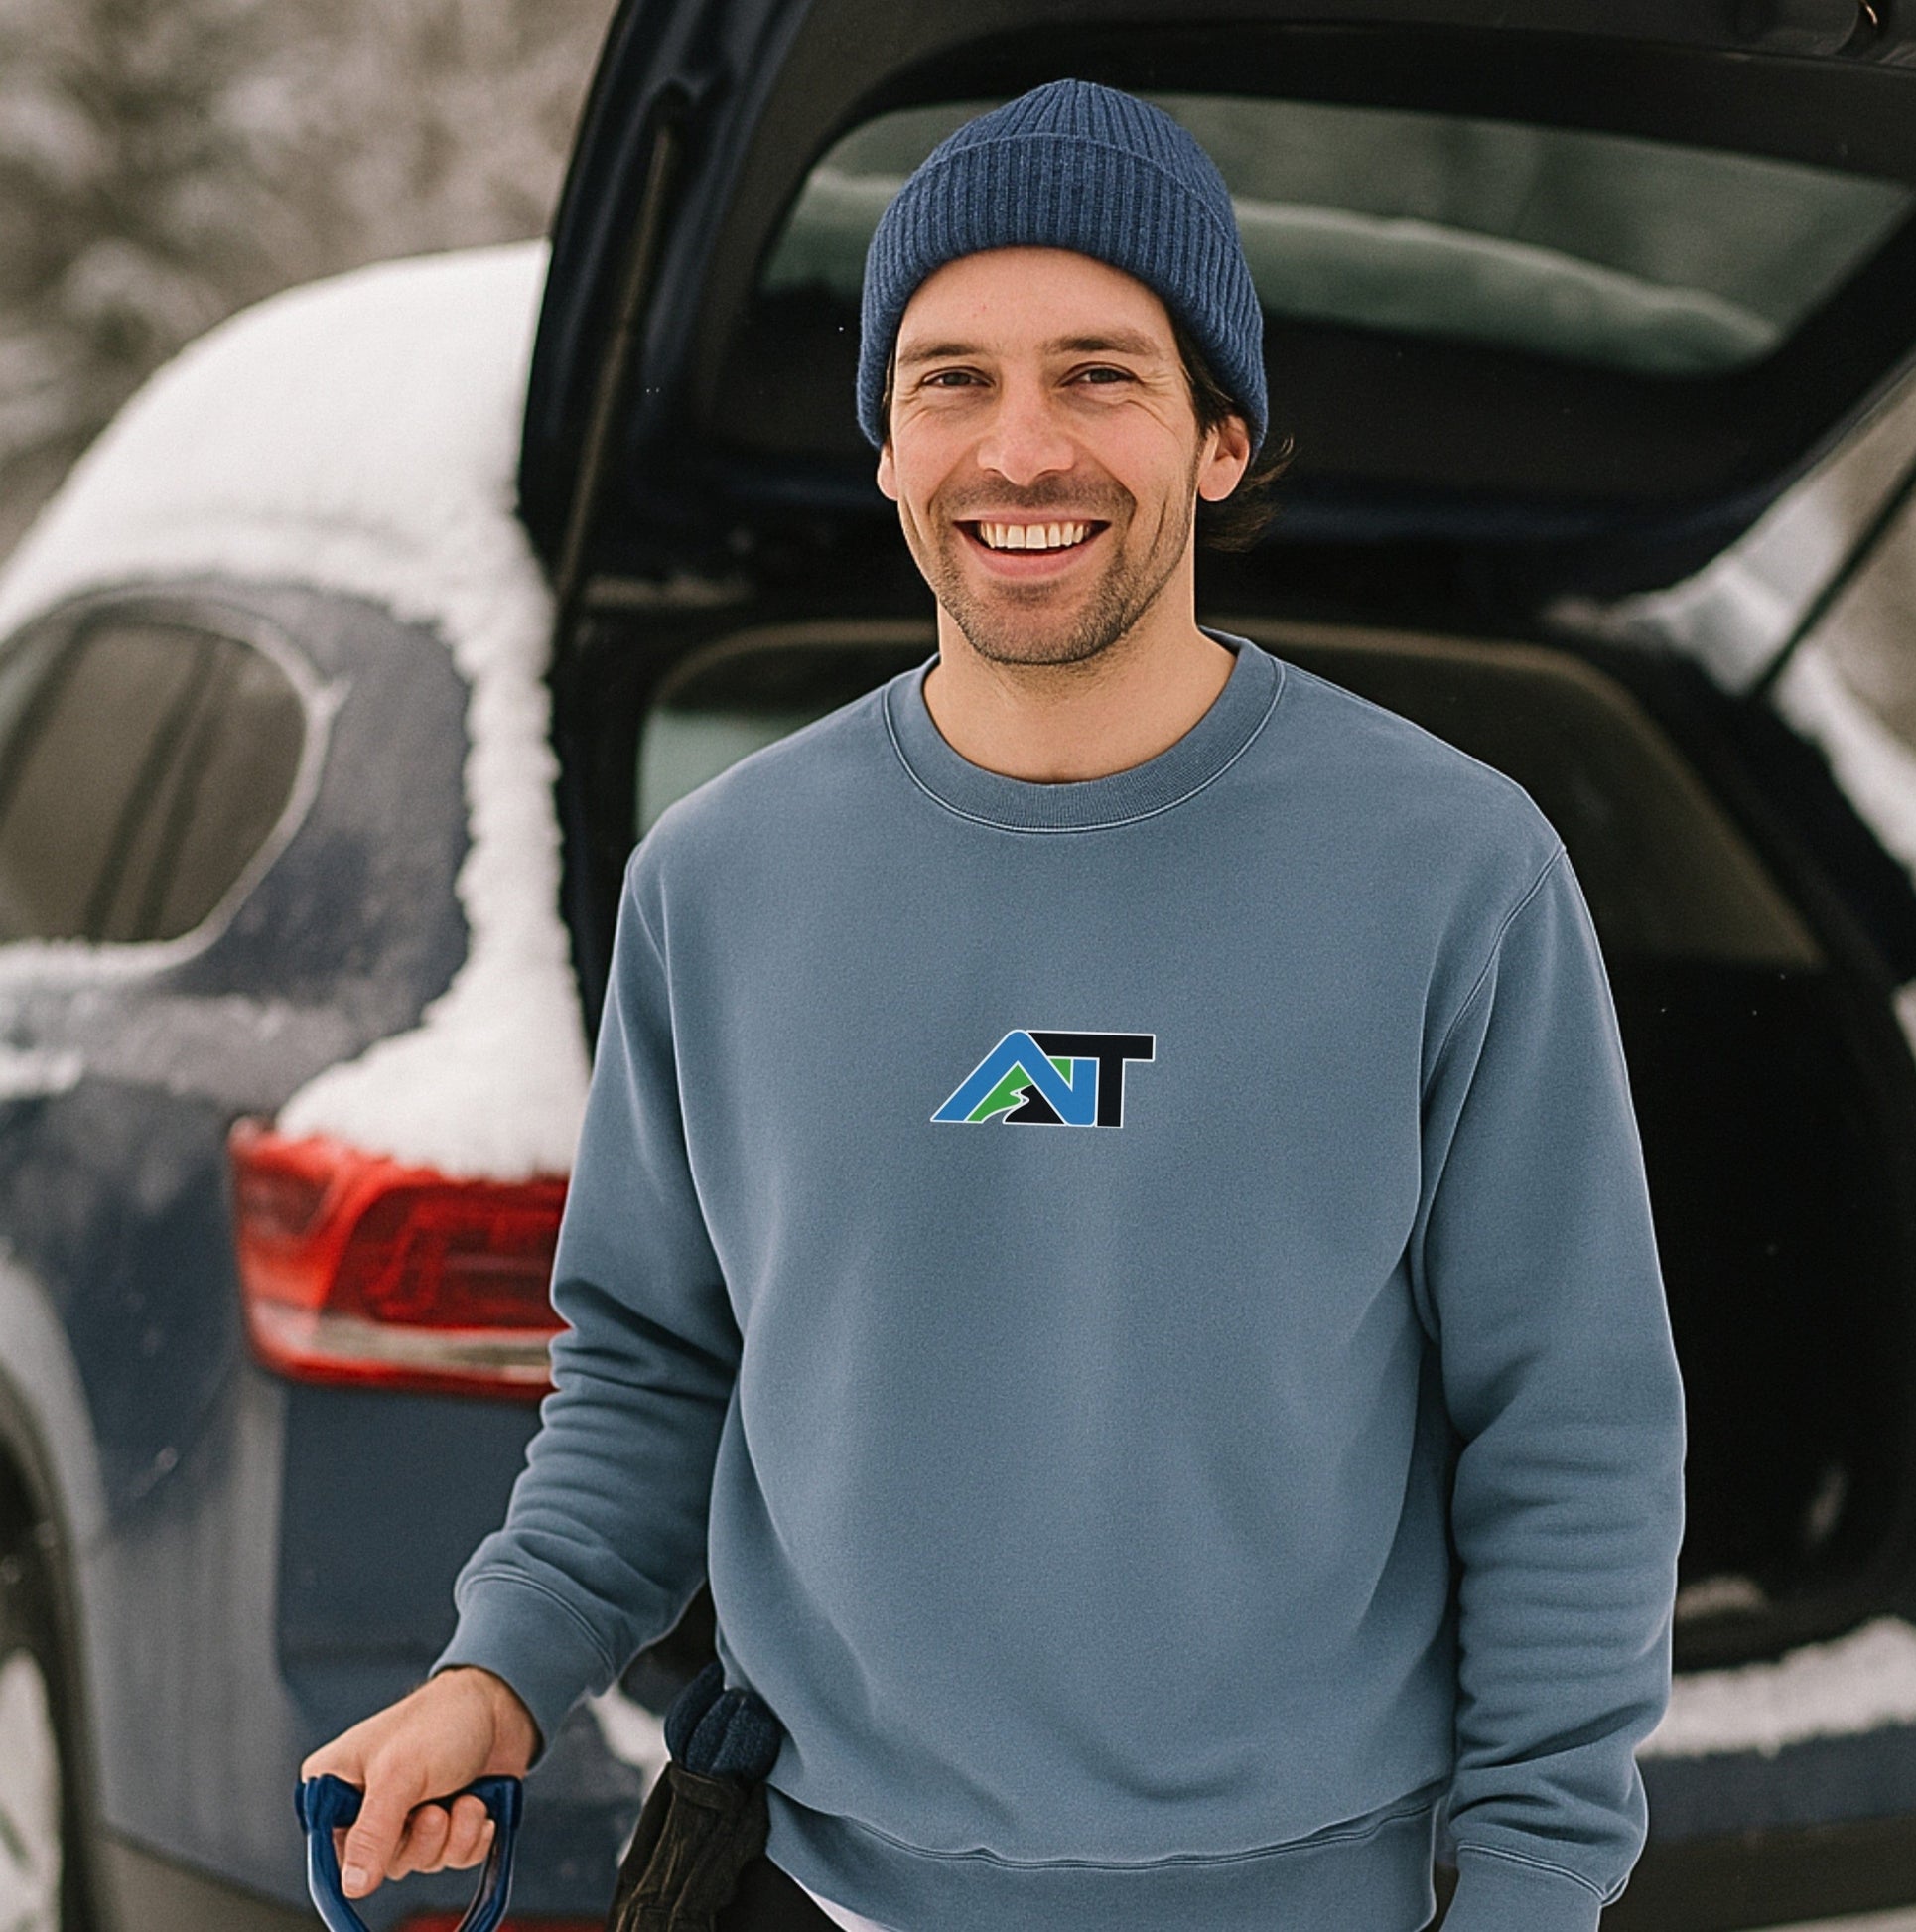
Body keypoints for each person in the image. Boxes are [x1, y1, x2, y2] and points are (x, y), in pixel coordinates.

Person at [302, 78, 1687, 1932]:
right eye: (950, 377)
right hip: (813, 1887)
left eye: (1098, 372)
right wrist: (499, 1671)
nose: (1017, 448)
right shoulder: (719, 882)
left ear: (1218, 435)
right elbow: (649, 1366)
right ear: (883, 442)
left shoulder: (1451, 871)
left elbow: (1570, 1425)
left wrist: (1529, 1882)